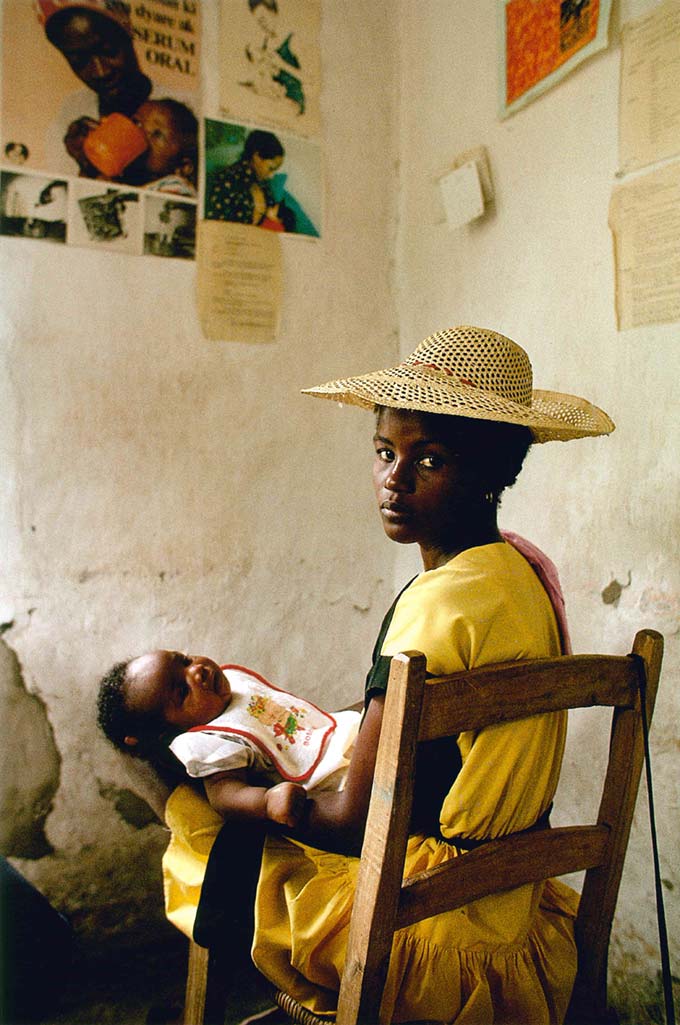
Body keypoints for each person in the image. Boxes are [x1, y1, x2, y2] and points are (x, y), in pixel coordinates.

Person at [96, 650, 360, 827]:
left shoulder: (235, 685)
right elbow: (225, 795)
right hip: (334, 780)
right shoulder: (207, 741)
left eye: (185, 660)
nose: (197, 672)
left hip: (344, 736)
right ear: (168, 732)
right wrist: (267, 803)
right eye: (182, 691)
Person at [205, 129, 293, 227]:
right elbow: (214, 223)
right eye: (271, 168)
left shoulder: (263, 183)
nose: (272, 176)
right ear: (257, 157)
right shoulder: (228, 179)